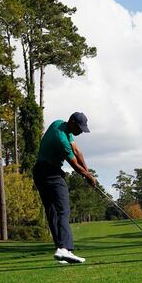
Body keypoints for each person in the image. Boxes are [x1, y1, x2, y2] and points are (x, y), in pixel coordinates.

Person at [32, 111, 96, 264]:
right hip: (50, 173)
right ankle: (65, 248)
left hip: (39, 172)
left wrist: (88, 173)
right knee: (63, 210)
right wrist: (88, 176)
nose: (81, 132)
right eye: (80, 128)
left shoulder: (60, 124)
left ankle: (61, 251)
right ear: (72, 122)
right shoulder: (61, 138)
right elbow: (73, 163)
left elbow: (77, 151)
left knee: (53, 212)